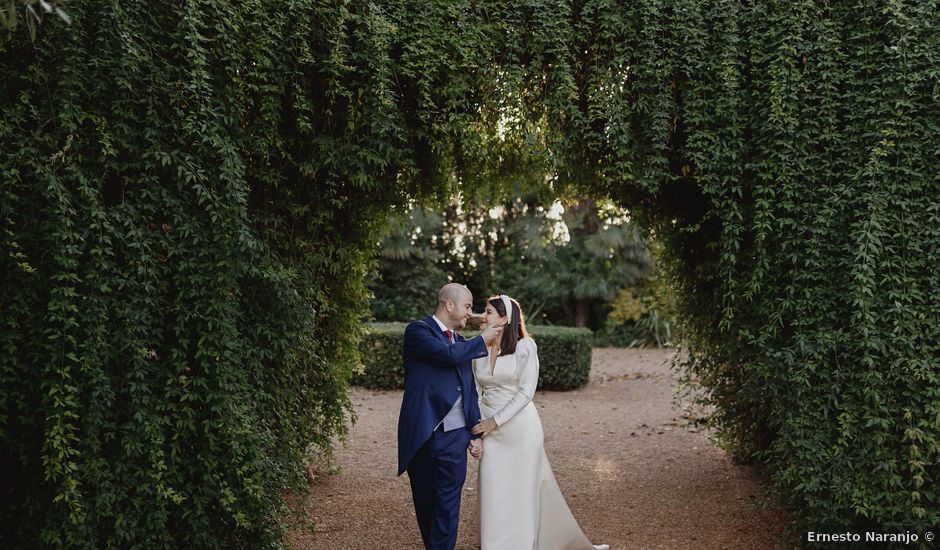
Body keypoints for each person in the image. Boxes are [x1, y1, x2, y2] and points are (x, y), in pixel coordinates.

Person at [472, 295, 609, 550]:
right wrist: (478, 431)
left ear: (504, 319)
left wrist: (495, 421)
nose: (483, 316)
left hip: (520, 430)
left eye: (488, 312)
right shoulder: (477, 347)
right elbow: (476, 392)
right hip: (489, 430)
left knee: (521, 489)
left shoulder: (525, 347)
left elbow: (526, 392)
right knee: (494, 488)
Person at [397, 283, 507, 550]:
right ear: (449, 305)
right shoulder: (418, 331)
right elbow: (446, 356)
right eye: (468, 306)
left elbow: (468, 391)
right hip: (423, 435)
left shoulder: (461, 343)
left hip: (455, 439)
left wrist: (474, 432)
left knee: (447, 507)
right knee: (425, 505)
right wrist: (482, 340)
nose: (471, 313)